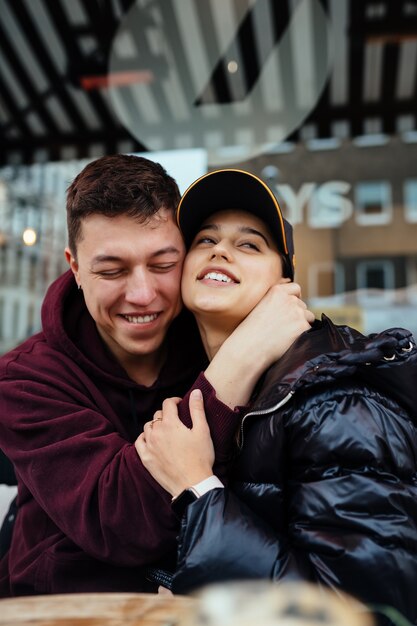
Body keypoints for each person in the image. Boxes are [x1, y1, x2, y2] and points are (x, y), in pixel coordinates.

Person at [0, 156, 314, 596]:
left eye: (163, 264)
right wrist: (238, 360)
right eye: (112, 271)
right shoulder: (24, 379)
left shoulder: (211, 334)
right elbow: (120, 521)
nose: (143, 295)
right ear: (74, 267)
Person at [137, 169, 417, 623]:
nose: (221, 250)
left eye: (249, 244)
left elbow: (366, 612)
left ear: (286, 283)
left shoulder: (333, 397)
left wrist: (198, 488)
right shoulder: (217, 385)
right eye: (205, 240)